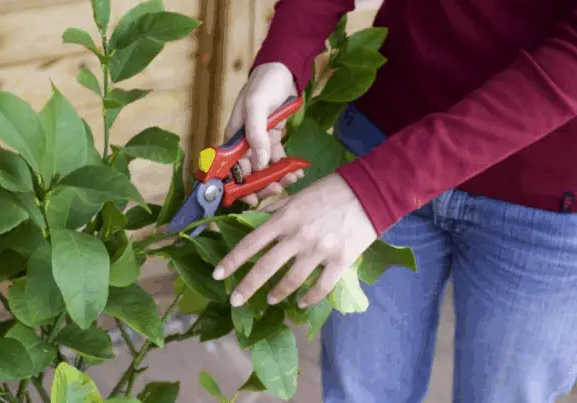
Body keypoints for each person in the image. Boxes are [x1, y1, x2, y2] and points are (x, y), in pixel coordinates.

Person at [211, 0, 577, 402]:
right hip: (386, 126)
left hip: (546, 203)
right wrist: (283, 57)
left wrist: (378, 189)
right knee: (360, 392)